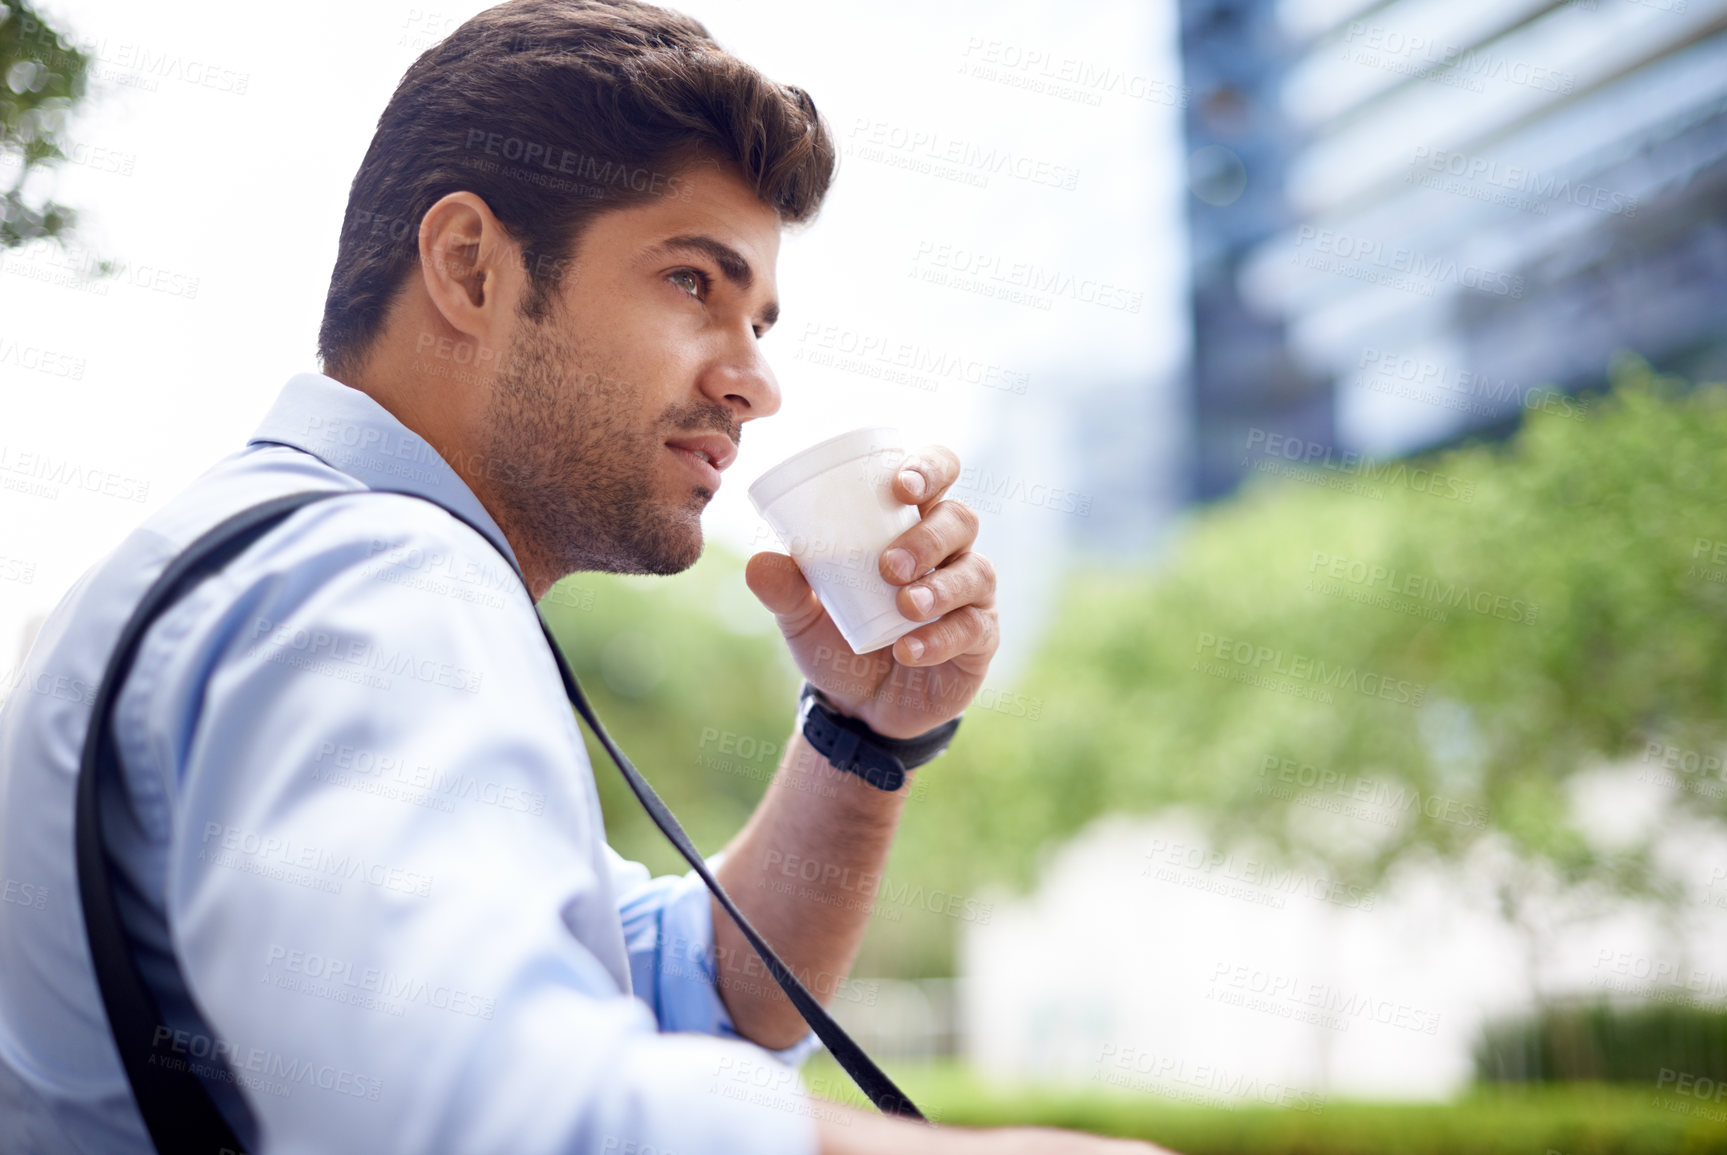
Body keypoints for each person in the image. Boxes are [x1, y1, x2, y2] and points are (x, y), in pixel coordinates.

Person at [0, 2, 1169, 1152]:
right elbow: (468, 1110)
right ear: (469, 268)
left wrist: (861, 738)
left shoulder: (264, 557)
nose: (756, 383)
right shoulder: (379, 577)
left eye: (760, 318)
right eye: (694, 283)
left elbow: (687, 991)